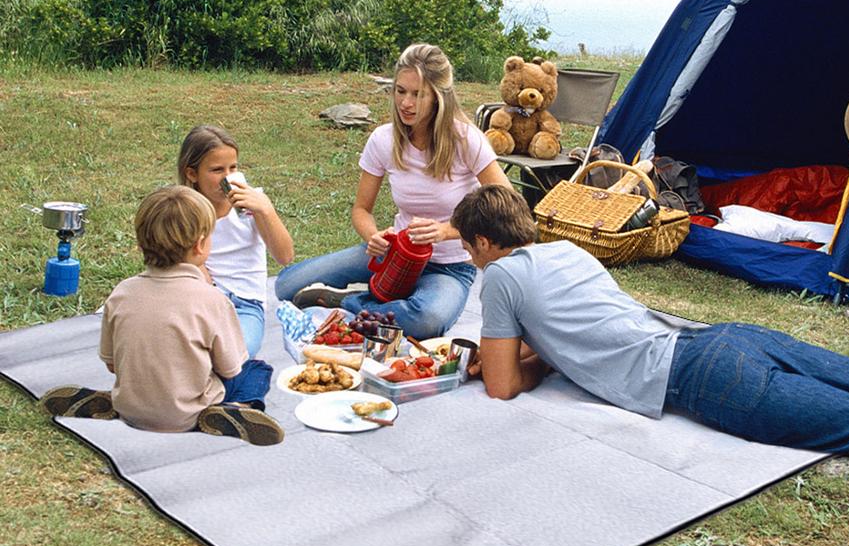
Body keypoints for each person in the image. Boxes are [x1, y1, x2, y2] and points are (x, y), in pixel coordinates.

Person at [450, 185, 849, 523]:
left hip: (705, 378)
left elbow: (500, 386)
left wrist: (514, 361)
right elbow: (570, 337)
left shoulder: (500, 276)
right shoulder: (567, 253)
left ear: (481, 242)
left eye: (469, 249)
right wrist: (541, 354)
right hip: (728, 338)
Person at [276, 43, 511, 338]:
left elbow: (506, 203)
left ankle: (347, 303)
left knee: (427, 319)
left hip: (448, 266)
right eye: (400, 91)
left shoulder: (465, 139)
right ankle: (386, 302)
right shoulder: (383, 139)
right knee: (285, 286)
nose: (406, 103)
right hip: (394, 254)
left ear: (438, 97)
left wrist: (445, 231)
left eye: (417, 94)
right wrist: (372, 236)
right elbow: (362, 209)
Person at [41, 186, 284, 446]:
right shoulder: (213, 299)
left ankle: (115, 401)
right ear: (201, 245)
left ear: (140, 242)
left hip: (129, 410)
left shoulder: (122, 292)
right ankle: (235, 407)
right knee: (257, 370)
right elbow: (230, 368)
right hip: (188, 414)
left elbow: (112, 364)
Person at [178, 125, 294, 356]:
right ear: (192, 174)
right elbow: (184, 262)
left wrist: (265, 210)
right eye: (217, 170)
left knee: (235, 354)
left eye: (233, 168)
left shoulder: (250, 204)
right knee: (181, 352)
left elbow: (285, 256)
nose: (227, 177)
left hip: (244, 304)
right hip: (197, 297)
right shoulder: (183, 209)